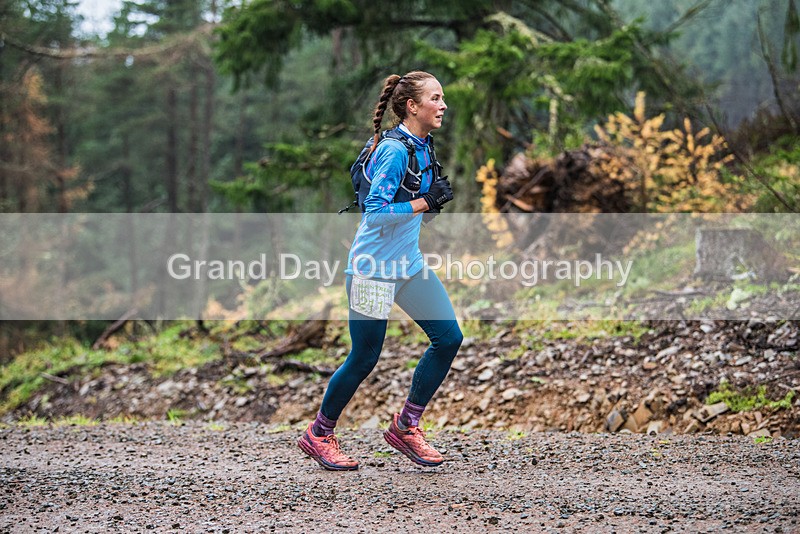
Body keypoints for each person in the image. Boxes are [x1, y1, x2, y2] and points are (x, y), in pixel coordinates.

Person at [297, 71, 463, 470]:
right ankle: (318, 434)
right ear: (412, 106)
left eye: (442, 99)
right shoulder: (394, 150)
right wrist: (426, 201)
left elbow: (409, 209)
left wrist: (428, 205)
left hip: (407, 266)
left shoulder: (424, 146)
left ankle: (406, 425)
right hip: (371, 269)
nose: (443, 105)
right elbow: (375, 213)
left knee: (448, 337)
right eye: (435, 98)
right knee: (365, 356)